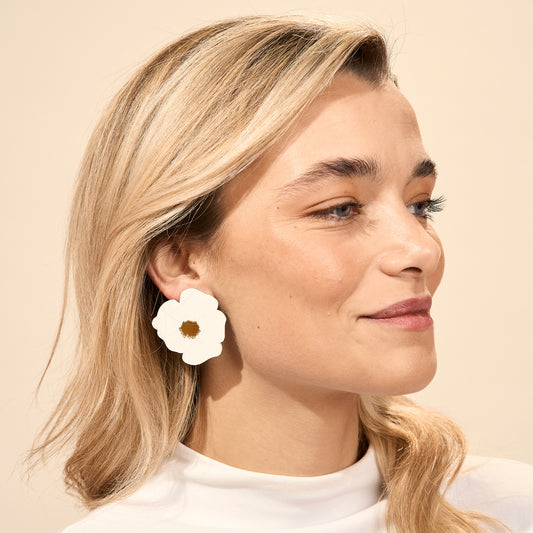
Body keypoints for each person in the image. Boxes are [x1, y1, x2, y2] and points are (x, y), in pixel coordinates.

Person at [29, 14, 533, 533]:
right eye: (340, 209)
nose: (420, 248)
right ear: (180, 262)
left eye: (422, 205)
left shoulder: (510, 510)